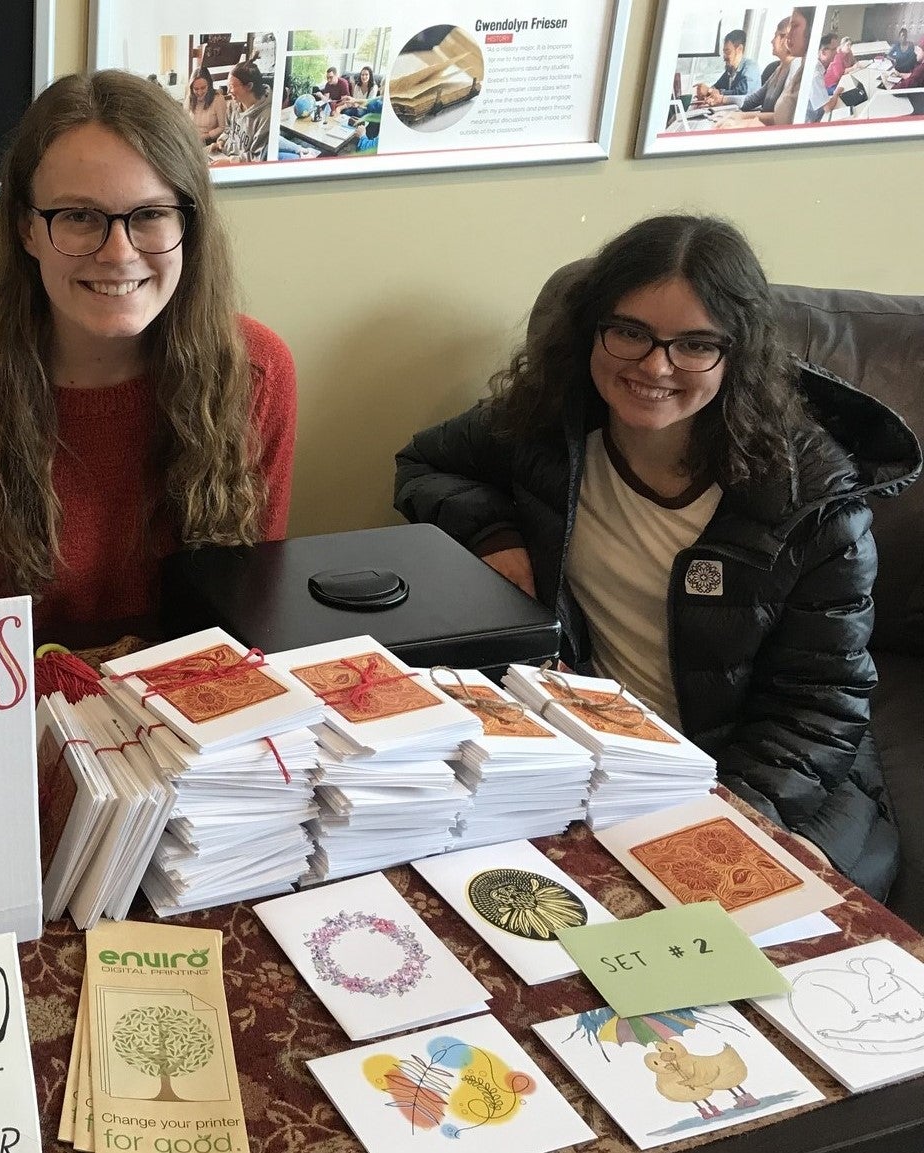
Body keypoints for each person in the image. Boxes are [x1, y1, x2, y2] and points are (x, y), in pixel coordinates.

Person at [394, 214, 920, 897]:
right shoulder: (545, 425)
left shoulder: (814, 500)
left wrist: (727, 817)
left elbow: (820, 705)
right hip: (591, 758)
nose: (654, 366)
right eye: (631, 332)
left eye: (695, 344)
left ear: (737, 355)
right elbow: (424, 464)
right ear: (592, 329)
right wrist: (496, 538)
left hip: (773, 788)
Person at [0, 71, 297, 636]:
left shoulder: (256, 372)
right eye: (79, 217)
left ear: (190, 224)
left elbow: (245, 618)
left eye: (151, 214)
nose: (118, 252)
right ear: (27, 231)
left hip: (197, 711)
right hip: (27, 722)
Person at [717, 6, 812, 126]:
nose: (772, 41)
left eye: (776, 36)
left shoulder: (797, 67)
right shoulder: (778, 69)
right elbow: (751, 100)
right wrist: (724, 102)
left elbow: (782, 118)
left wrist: (741, 118)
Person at [212, 60, 275, 162]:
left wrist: (230, 162)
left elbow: (256, 157)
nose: (228, 91)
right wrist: (221, 141)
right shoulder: (234, 104)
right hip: (225, 156)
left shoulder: (266, 116)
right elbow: (228, 129)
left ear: (249, 86)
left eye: (231, 86)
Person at [693, 29, 756, 103]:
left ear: (739, 49)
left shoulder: (751, 67)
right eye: (724, 52)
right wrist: (705, 94)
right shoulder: (730, 71)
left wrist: (709, 91)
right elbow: (717, 87)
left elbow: (742, 94)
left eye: (728, 51)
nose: (724, 57)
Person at [186, 69, 228, 146]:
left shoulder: (218, 99)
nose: (199, 92)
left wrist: (204, 136)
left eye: (203, 88)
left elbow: (223, 128)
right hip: (192, 140)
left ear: (209, 86)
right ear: (191, 88)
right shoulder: (190, 98)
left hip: (210, 141)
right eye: (196, 89)